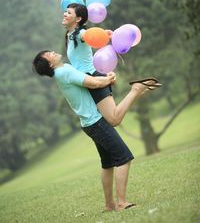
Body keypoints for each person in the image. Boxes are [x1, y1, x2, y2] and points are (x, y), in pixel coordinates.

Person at [32, 50, 158, 211]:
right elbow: (94, 84)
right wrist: (107, 79)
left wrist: (107, 78)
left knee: (107, 164)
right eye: (49, 54)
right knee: (124, 158)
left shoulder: (63, 71)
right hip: (96, 122)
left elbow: (92, 80)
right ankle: (121, 203)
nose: (53, 52)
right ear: (49, 63)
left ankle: (109, 205)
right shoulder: (64, 71)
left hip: (89, 124)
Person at [62, 3, 161, 127]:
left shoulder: (80, 33)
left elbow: (88, 35)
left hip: (94, 78)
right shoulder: (70, 35)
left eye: (69, 13)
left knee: (114, 119)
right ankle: (139, 90)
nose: (65, 14)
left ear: (78, 19)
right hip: (88, 81)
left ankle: (136, 89)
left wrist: (103, 34)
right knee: (106, 121)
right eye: (65, 11)